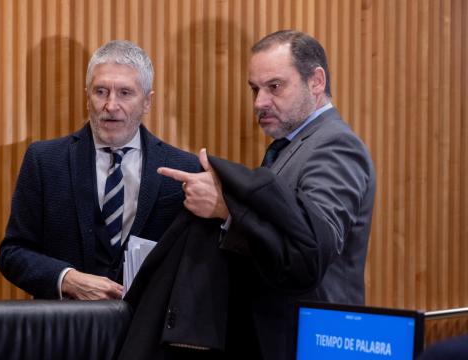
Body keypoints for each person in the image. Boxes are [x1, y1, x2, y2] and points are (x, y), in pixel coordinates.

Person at [157, 30, 376, 359]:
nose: (259, 102)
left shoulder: (334, 145)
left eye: (274, 87)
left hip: (314, 342)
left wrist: (227, 210)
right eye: (255, 89)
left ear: (316, 81)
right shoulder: (290, 146)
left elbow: (312, 249)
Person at [0, 40, 200, 300]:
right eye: (101, 91)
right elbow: (12, 253)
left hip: (148, 333)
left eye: (125, 93)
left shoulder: (184, 168)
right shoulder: (44, 161)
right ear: (87, 96)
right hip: (66, 331)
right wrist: (67, 279)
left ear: (147, 102)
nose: (111, 105)